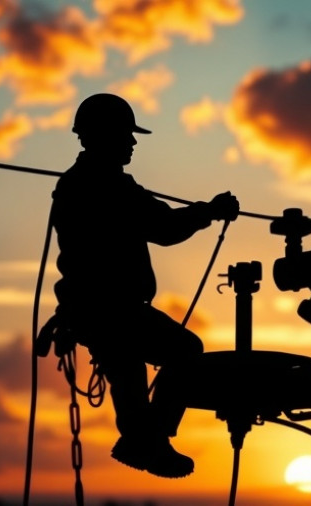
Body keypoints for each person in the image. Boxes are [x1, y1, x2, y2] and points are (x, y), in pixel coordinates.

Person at [49, 93, 239, 478]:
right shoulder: (107, 188)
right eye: (126, 135)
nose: (133, 143)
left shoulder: (83, 185)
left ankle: (145, 441)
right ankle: (150, 439)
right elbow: (165, 228)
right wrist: (211, 211)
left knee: (129, 373)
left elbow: (156, 223)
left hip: (91, 310)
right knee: (185, 350)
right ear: (104, 135)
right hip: (113, 309)